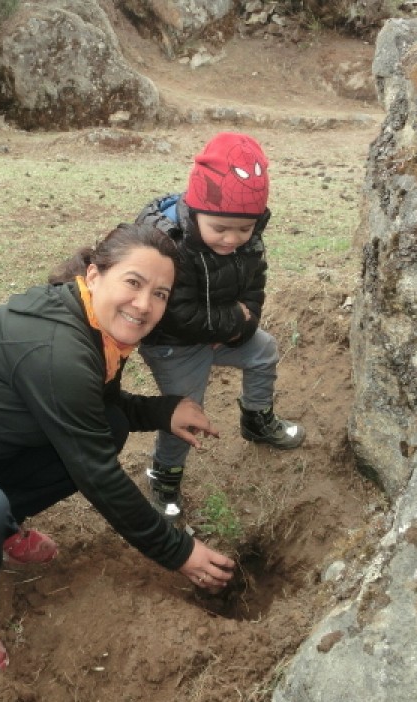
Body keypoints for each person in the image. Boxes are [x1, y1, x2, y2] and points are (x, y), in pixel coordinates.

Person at [0, 224, 235, 679]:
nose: (144, 304)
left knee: (107, 428)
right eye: (133, 283)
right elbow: (99, 476)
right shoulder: (61, 347)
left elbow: (98, 409)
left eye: (160, 294)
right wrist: (179, 552)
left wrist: (163, 411)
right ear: (94, 275)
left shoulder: (90, 323)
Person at [135, 132, 306, 519]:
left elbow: (254, 292)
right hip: (173, 344)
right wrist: (228, 325)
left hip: (222, 332)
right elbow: (178, 313)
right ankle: (165, 473)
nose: (232, 239)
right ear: (194, 212)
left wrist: (240, 327)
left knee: (263, 350)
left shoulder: (249, 241)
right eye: (221, 228)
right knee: (186, 410)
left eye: (244, 229)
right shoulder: (170, 246)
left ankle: (256, 420)